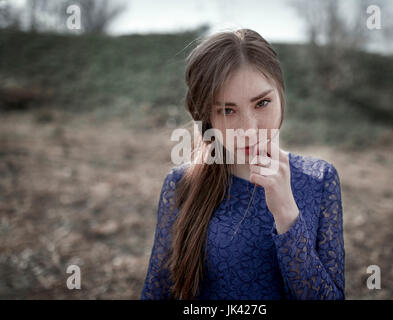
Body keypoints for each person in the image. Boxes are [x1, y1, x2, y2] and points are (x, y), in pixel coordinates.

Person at [141, 28, 345, 300]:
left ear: (281, 95)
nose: (248, 129)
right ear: (208, 116)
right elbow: (157, 294)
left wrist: (286, 214)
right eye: (228, 110)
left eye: (262, 103)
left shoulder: (319, 179)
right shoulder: (181, 185)